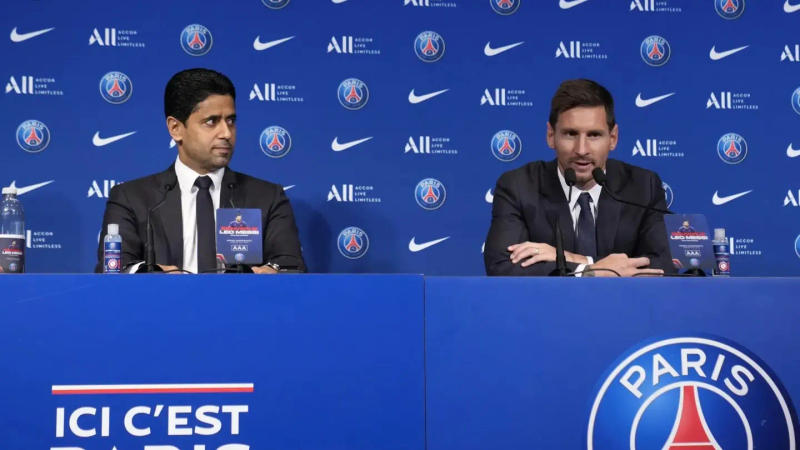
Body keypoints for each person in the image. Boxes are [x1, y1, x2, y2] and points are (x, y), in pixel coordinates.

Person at [95, 68, 305, 274]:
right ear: (175, 128)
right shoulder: (132, 199)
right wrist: (153, 276)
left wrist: (274, 272)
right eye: (211, 122)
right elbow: (113, 270)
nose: (226, 133)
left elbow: (292, 266)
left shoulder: (267, 198)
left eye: (231, 121)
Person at [484, 79, 674, 277]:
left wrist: (578, 261)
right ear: (551, 135)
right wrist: (590, 270)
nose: (581, 150)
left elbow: (666, 265)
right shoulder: (519, 186)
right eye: (570, 134)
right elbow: (502, 266)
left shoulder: (643, 186)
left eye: (593, 135)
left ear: (613, 138)